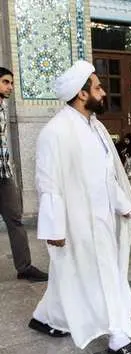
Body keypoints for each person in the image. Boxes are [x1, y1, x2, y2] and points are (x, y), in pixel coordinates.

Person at [30, 60, 131, 354]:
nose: (103, 92)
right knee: (102, 275)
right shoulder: (55, 132)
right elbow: (48, 183)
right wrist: (54, 228)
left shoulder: (96, 127)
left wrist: (123, 206)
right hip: (77, 224)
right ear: (82, 94)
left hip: (101, 219)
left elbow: (106, 176)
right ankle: (119, 337)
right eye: (98, 87)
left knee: (70, 272)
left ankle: (46, 317)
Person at [0, 67, 47, 282]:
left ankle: (24, 267)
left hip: (4, 174)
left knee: (15, 219)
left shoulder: (2, 106)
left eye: (11, 83)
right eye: (5, 82)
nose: (10, 87)